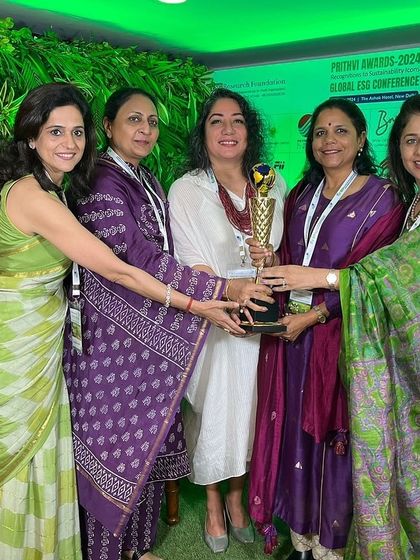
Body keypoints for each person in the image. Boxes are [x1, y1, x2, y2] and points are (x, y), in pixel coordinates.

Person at [0, 83, 243, 560]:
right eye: (55, 132)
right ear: (31, 136)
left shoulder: (59, 188)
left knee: (44, 452)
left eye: (76, 132)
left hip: (46, 339)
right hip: (18, 344)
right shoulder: (36, 196)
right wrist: (200, 301)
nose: (69, 143)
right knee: (20, 452)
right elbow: (119, 265)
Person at [62, 87, 272, 560]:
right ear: (108, 126)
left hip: (145, 334)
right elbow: (136, 256)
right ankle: (106, 552)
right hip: (108, 341)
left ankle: (136, 549)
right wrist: (220, 289)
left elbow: (163, 257)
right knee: (112, 448)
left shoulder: (146, 179)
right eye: (134, 120)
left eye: (152, 122)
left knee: (143, 448)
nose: (145, 130)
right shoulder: (100, 181)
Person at [257, 93, 420, 560]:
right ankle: (303, 539)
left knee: (340, 439)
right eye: (320, 133)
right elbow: (294, 260)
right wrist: (270, 260)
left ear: (362, 138)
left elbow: (376, 277)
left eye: (341, 131)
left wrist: (315, 314)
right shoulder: (299, 196)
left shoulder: (385, 198)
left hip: (347, 338)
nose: (329, 140)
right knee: (296, 432)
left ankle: (333, 545)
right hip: (292, 335)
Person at [168, 87, 285, 553]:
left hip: (262, 321)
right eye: (216, 121)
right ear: (204, 132)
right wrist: (226, 297)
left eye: (237, 120)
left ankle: (239, 496)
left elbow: (282, 255)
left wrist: (269, 256)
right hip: (214, 319)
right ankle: (214, 502)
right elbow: (188, 262)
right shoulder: (187, 189)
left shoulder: (271, 182)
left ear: (249, 130)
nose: (228, 129)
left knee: (252, 410)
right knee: (216, 410)